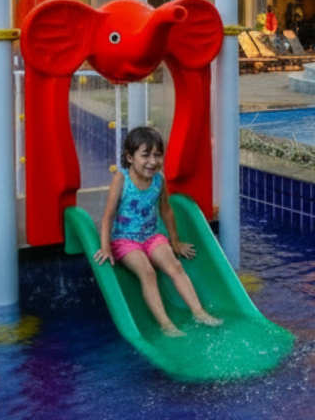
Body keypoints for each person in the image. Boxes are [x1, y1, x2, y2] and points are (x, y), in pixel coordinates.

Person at [95, 125, 222, 335]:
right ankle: (166, 324)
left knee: (175, 266)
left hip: (151, 237)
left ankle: (199, 313)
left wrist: (175, 242)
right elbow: (108, 217)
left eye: (157, 155)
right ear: (129, 157)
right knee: (147, 272)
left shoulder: (158, 180)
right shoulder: (121, 180)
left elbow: (166, 210)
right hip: (125, 241)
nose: (152, 162)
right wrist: (105, 247)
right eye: (145, 155)